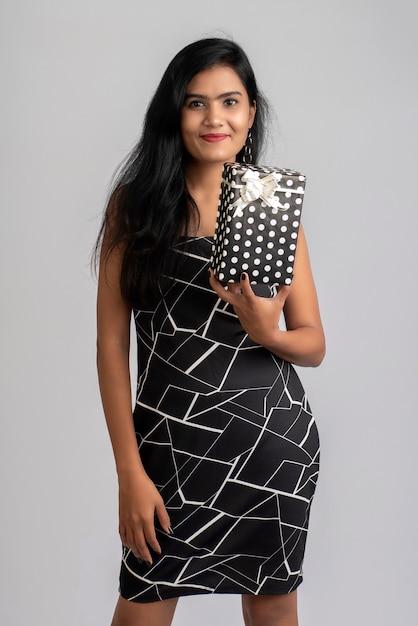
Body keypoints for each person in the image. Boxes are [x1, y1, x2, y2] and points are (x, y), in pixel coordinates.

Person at [96, 37, 325, 626]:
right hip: (169, 450)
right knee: (141, 607)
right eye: (197, 103)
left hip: (271, 446)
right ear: (175, 112)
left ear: (250, 114)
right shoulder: (137, 206)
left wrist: (264, 331)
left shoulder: (270, 206)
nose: (215, 118)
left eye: (230, 101)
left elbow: (313, 343)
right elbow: (111, 346)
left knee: (274, 610)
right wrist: (129, 471)